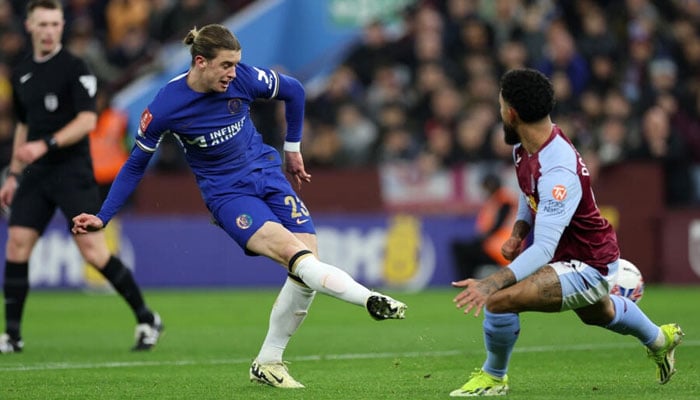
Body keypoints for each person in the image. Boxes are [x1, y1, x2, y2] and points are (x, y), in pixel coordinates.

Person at [72, 23, 407, 389]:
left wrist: (292, 149)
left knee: (306, 269)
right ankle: (369, 299)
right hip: (228, 195)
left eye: (236, 64)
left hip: (268, 175)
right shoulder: (166, 106)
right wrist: (104, 216)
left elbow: (293, 90)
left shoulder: (243, 79)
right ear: (200, 62)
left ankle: (267, 361)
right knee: (298, 257)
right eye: (226, 65)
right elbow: (136, 164)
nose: (233, 73)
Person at [448, 68, 683, 397]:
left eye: (501, 106)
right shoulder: (525, 148)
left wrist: (491, 282)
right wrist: (518, 230)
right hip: (572, 257)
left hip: (587, 263)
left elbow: (544, 248)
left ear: (512, 113)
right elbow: (527, 190)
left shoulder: (558, 168)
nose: (499, 112)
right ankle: (661, 338)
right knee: (600, 313)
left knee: (499, 302)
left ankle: (494, 378)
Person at [0, 0, 162, 354]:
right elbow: (23, 126)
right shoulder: (21, 70)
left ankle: (146, 317)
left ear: (62, 26)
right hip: (35, 174)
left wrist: (46, 145)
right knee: (16, 245)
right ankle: (12, 335)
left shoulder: (75, 68)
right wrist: (12, 175)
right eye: (42, 24)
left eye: (55, 24)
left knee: (92, 252)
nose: (49, 31)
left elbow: (87, 122)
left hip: (72, 172)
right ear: (29, 26)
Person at [451, 173, 517, 279]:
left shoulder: (504, 200)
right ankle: (470, 281)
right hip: (494, 245)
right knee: (465, 250)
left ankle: (465, 281)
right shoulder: (496, 200)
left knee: (461, 250)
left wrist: (483, 237)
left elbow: (498, 224)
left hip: (500, 247)